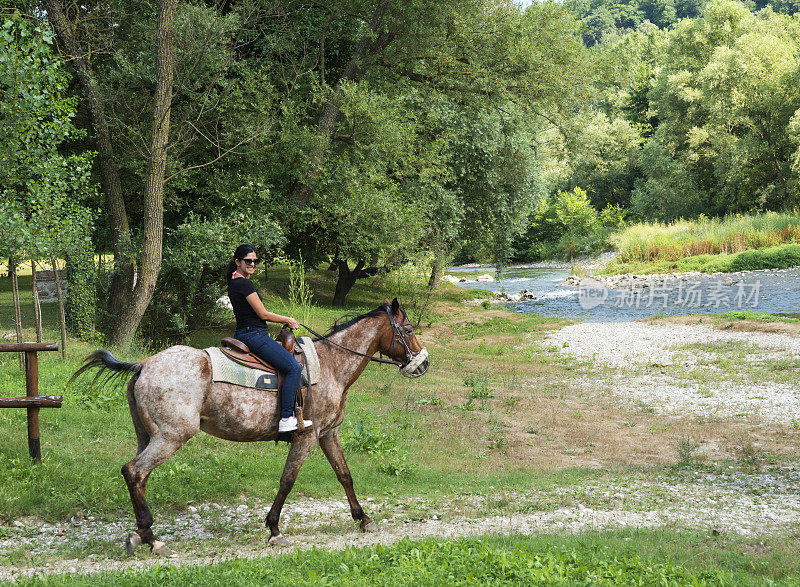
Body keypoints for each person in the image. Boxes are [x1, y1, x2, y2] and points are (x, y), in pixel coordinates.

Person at [226, 244, 311, 433]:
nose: (252, 264)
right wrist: (287, 319)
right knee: (293, 368)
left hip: (244, 332)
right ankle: (287, 418)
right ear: (238, 262)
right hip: (254, 335)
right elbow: (263, 314)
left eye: (255, 261)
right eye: (248, 261)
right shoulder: (243, 283)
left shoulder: (234, 281)